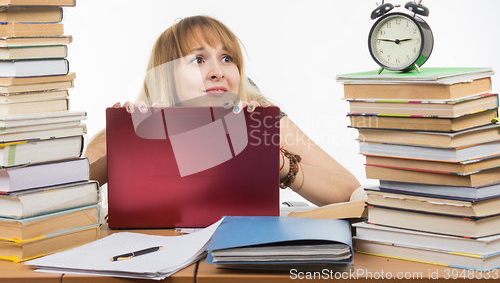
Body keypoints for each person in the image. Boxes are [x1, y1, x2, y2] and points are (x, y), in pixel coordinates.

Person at [85, 15, 360, 207]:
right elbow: (63, 204)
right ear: (167, 77)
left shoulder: (262, 122)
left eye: (227, 58)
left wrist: (279, 164)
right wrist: (124, 152)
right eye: (199, 59)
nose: (217, 72)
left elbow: (351, 192)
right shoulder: (127, 131)